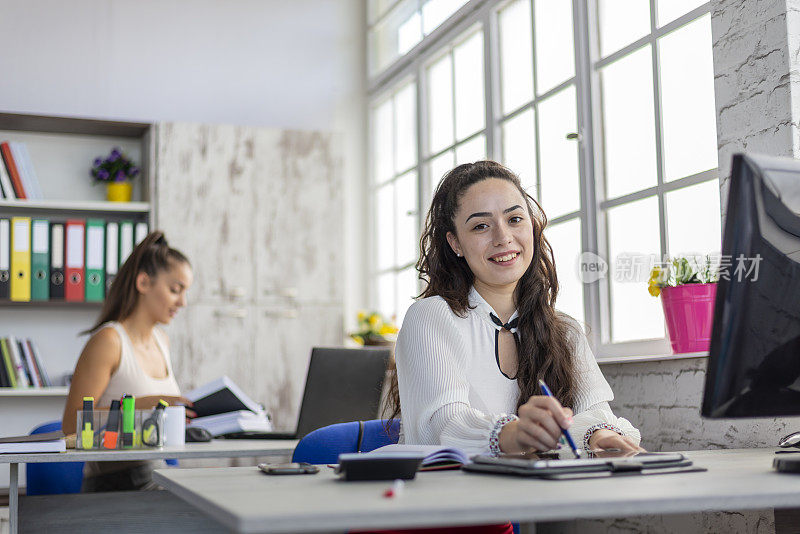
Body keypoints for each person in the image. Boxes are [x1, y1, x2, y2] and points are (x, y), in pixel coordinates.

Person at [386, 161, 643, 458]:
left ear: (531, 226)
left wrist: (598, 435)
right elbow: (442, 425)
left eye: (515, 219)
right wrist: (512, 433)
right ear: (455, 242)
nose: (503, 237)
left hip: (540, 498)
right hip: (454, 498)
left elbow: (594, 414)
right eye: (481, 225)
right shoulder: (431, 316)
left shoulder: (565, 331)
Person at [61, 231, 195, 492]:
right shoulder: (109, 341)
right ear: (144, 283)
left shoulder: (161, 340)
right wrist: (139, 406)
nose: (183, 302)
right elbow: (70, 425)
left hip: (158, 474)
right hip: (115, 483)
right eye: (175, 290)